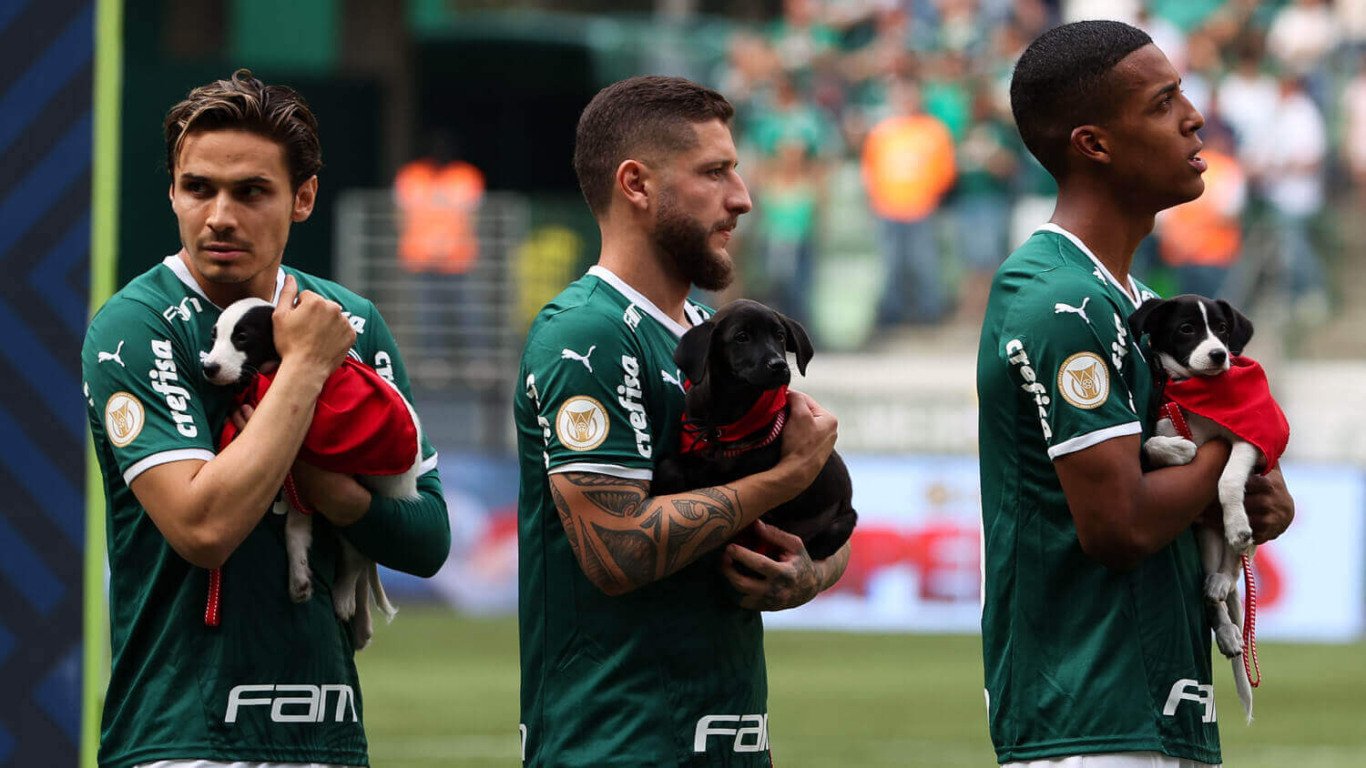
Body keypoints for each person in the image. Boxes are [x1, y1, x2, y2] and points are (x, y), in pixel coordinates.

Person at [82, 69, 450, 768]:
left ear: (302, 198)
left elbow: (429, 537)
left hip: (327, 735)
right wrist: (305, 368)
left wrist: (327, 487)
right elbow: (203, 528)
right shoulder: (137, 326)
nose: (220, 216)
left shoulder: (349, 321)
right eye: (198, 188)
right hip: (182, 737)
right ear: (172, 193)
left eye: (251, 191)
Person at [977, 21, 1295, 767]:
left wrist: (1255, 495)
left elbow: (1179, 488)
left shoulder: (1139, 303)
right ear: (1094, 144)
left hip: (1158, 703)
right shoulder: (1057, 302)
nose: (1194, 116)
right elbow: (1118, 524)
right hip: (1089, 716)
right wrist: (1228, 451)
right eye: (1163, 102)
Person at [514, 75, 850, 767]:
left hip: (727, 741)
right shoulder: (588, 334)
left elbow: (828, 520)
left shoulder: (715, 336)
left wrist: (809, 574)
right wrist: (786, 475)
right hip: (616, 746)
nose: (743, 197)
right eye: (715, 172)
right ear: (636, 184)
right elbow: (616, 550)